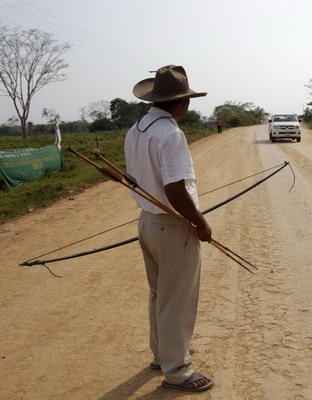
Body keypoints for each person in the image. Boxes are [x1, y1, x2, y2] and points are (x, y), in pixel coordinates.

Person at [124, 65, 214, 392]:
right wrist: (200, 222)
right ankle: (177, 370)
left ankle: (163, 354)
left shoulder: (137, 128)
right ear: (180, 103)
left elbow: (133, 177)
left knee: (160, 293)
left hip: (147, 222)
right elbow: (176, 190)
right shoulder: (170, 133)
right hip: (173, 225)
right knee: (177, 298)